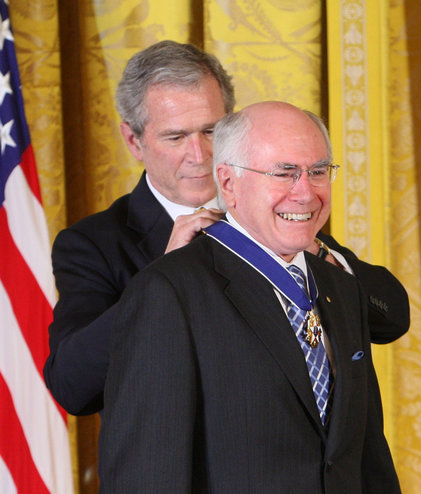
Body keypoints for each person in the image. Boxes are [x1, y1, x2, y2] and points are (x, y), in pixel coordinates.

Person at [44, 40, 409, 416]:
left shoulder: (279, 206)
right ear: (134, 141)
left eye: (210, 131)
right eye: (176, 137)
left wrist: (318, 254)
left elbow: (391, 320)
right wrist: (159, 279)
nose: (200, 155)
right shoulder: (93, 244)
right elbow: (73, 387)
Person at [98, 101, 402, 493]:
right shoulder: (169, 293)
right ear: (228, 183)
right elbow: (146, 477)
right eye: (284, 173)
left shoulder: (340, 286)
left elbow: (367, 458)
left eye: (318, 172)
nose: (305, 192)